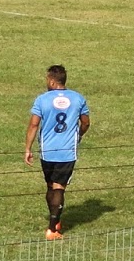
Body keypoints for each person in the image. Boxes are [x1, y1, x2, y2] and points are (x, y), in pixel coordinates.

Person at [24, 64, 90, 240]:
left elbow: (33, 124)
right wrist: (79, 135)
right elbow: (86, 123)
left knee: (50, 185)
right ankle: (53, 228)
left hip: (47, 151)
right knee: (59, 187)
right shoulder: (78, 98)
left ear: (52, 81)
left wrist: (28, 148)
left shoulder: (42, 100)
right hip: (67, 152)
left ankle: (54, 222)